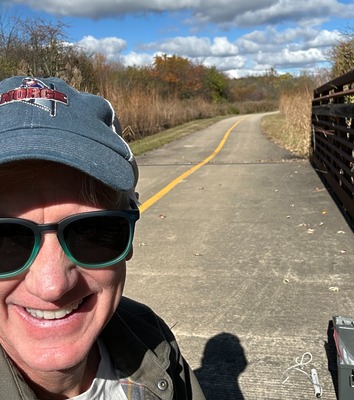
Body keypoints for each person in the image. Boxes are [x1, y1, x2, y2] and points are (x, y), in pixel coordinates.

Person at [0, 76, 206, 399]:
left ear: (128, 238)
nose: (52, 286)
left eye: (91, 232)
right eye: (7, 242)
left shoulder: (152, 341)